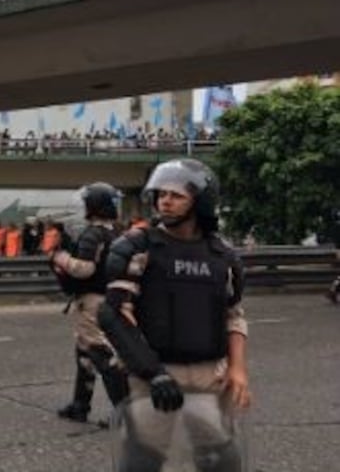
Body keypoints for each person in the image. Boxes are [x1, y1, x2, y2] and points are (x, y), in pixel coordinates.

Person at [98, 159, 250, 471]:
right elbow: (113, 315)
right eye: (161, 194)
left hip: (210, 374)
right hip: (154, 372)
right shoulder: (139, 248)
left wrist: (237, 369)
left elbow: (233, 314)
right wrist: (153, 373)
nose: (165, 201)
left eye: (177, 195)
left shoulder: (221, 255)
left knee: (222, 457)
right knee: (144, 458)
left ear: (200, 201)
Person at [50, 183, 129, 424]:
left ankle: (124, 411)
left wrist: (60, 258)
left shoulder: (93, 234)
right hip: (109, 296)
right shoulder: (115, 232)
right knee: (84, 353)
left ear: (93, 206)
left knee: (99, 353)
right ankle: (80, 405)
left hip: (93, 301)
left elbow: (84, 270)